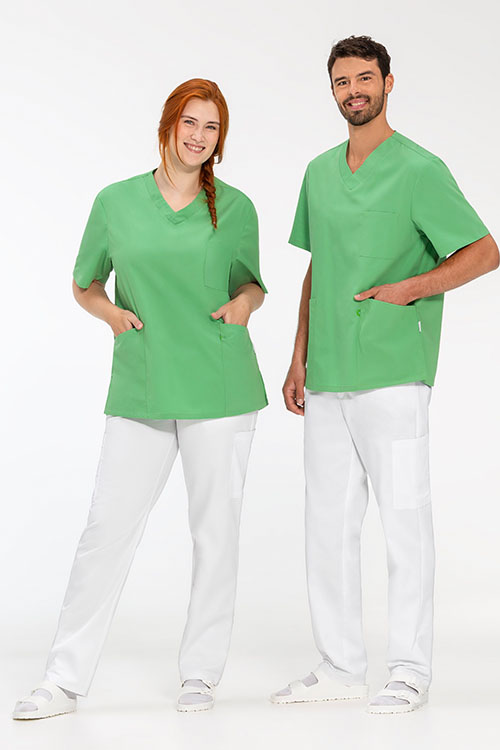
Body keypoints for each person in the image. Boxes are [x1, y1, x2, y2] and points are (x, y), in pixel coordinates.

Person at [13, 78, 268, 720]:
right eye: (190, 122)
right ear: (168, 125)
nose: (199, 136)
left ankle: (200, 674)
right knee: (106, 532)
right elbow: (85, 282)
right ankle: (62, 679)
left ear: (220, 139)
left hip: (220, 383)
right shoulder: (116, 202)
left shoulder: (236, 208)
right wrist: (111, 316)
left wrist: (245, 305)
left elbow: (251, 285)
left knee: (215, 535)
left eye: (212, 127)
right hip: (144, 381)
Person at [270, 35, 499, 714]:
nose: (354, 91)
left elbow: (484, 250)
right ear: (332, 90)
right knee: (327, 525)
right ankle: (340, 666)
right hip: (328, 375)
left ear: (389, 83)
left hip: (394, 373)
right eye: (342, 81)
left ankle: (410, 670)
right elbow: (319, 265)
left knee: (404, 523)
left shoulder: (419, 169)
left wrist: (411, 288)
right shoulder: (318, 172)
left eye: (365, 78)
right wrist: (298, 354)